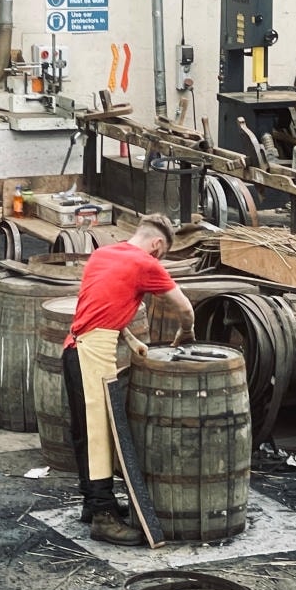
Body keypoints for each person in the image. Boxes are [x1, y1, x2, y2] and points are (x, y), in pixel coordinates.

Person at [62, 214, 195, 546]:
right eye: (161, 255)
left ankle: (93, 504)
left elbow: (101, 304)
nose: (158, 260)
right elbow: (186, 309)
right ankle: (104, 518)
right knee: (99, 435)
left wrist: (130, 339)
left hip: (73, 348)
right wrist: (187, 331)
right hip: (92, 353)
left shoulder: (103, 254)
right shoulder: (146, 263)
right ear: (157, 244)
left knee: (86, 431)